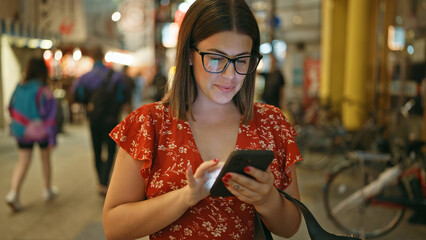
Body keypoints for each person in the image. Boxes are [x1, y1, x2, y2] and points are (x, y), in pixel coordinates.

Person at [103, 0, 302, 239]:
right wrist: (186, 197)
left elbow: (290, 228)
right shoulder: (149, 124)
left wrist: (268, 199)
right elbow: (114, 227)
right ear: (189, 55)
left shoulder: (272, 123)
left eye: (241, 60)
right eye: (216, 59)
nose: (230, 76)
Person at [71, 46, 129, 196]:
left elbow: (76, 94)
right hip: (111, 118)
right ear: (103, 57)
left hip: (94, 118)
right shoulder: (115, 76)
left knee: (96, 149)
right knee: (110, 150)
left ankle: (100, 180)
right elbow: (122, 95)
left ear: (91, 58)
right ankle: (104, 180)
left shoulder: (85, 77)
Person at [6, 57, 58, 212]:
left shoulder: (19, 87)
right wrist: (52, 138)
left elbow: (10, 107)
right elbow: (50, 118)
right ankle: (47, 189)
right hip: (41, 131)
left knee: (23, 162)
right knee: (45, 158)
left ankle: (13, 193)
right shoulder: (45, 90)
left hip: (22, 131)